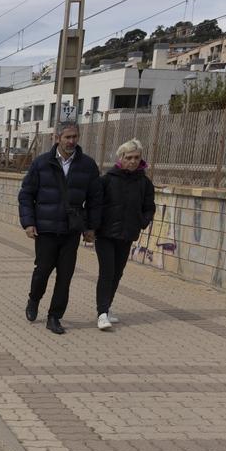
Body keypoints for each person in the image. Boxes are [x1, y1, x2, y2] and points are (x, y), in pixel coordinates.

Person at [18, 122, 102, 335]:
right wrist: (28, 223)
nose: (72, 141)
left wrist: (90, 227)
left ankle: (54, 316)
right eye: (67, 137)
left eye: (75, 137)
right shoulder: (41, 163)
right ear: (57, 138)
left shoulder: (88, 166)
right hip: (45, 229)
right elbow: (26, 194)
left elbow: (95, 199)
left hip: (70, 230)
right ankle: (34, 299)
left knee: (65, 276)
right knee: (42, 271)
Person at [94, 138, 155, 330]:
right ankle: (102, 313)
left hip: (127, 234)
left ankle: (107, 307)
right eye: (129, 157)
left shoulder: (144, 183)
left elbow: (149, 207)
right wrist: (93, 227)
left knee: (117, 273)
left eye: (137, 157)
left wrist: (142, 221)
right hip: (105, 234)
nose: (133, 161)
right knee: (107, 272)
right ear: (121, 157)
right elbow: (96, 205)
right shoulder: (107, 180)